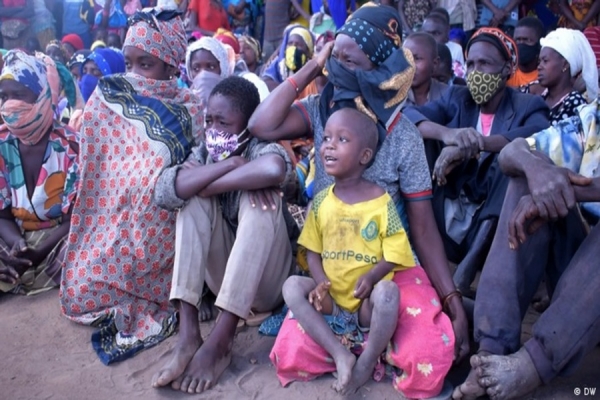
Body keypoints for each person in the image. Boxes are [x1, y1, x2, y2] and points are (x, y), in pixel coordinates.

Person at [249, 4, 469, 396]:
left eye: (349, 58)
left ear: (378, 65)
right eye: (335, 54)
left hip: (389, 266)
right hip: (332, 266)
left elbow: (421, 227)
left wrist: (450, 296)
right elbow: (260, 124)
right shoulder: (321, 109)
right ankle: (357, 350)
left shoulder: (403, 133)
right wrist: (312, 68)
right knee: (290, 351)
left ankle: (371, 351)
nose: (338, 64)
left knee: (428, 355)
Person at [59, 8, 204, 365]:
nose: (134, 75)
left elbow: (189, 176)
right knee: (80, 291)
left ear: (172, 66)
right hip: (112, 225)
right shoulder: (108, 101)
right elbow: (95, 177)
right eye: (129, 63)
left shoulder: (192, 110)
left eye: (146, 64)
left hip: (165, 232)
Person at [276, 107, 453, 396]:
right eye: (327, 138)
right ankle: (339, 354)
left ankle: (367, 360)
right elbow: (312, 252)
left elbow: (396, 252)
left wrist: (372, 277)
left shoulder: (381, 201)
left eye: (342, 140)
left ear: (365, 156)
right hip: (332, 301)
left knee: (388, 294)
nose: (329, 145)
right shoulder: (320, 202)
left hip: (365, 304)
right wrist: (320, 284)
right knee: (292, 286)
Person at [452, 90, 600, 400]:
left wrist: (566, 190)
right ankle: (492, 350)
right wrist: (539, 173)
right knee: (526, 175)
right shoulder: (592, 120)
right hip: (580, 281)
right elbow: (513, 152)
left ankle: (535, 361)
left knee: (548, 190)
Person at [151, 75, 294, 394]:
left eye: (224, 122)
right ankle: (188, 335)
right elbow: (165, 191)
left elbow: (273, 170)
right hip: (223, 281)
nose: (214, 130)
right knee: (190, 203)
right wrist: (228, 168)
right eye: (209, 121)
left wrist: (206, 183)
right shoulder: (202, 154)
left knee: (261, 203)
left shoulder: (261, 147)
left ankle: (221, 340)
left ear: (247, 125)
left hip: (269, 283)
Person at [403, 27, 549, 296]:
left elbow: (538, 134)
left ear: (507, 69)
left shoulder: (528, 105)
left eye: (485, 63)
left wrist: (477, 145)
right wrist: (449, 135)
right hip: (449, 203)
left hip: (492, 223)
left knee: (513, 161)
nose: (475, 71)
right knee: (421, 142)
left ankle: (467, 270)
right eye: (470, 63)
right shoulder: (457, 98)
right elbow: (408, 117)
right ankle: (417, 249)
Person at [0, 50, 79, 296]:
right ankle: (12, 269)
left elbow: (73, 220)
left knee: (87, 249)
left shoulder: (71, 146)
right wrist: (19, 246)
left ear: (41, 95)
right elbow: (2, 216)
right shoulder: (2, 144)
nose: (10, 104)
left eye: (19, 95)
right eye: (4, 96)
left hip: (58, 240)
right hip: (16, 238)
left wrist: (39, 252)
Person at [537, 28, 598, 126]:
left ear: (565, 65)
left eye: (545, 61)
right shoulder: (541, 96)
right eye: (539, 62)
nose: (539, 66)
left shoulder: (575, 104)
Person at [262, 24, 315, 92]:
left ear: (307, 50)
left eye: (298, 44)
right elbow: (265, 80)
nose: (293, 47)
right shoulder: (278, 64)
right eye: (290, 43)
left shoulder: (314, 65)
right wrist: (287, 90)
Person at [403, 32, 448, 108]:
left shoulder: (447, 96)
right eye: (405, 58)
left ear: (435, 64)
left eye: (417, 59)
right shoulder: (391, 97)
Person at [421, 11, 465, 78]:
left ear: (446, 34)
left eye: (436, 33)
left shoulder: (456, 49)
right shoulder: (414, 51)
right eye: (427, 34)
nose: (431, 38)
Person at [507, 17, 545, 90]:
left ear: (539, 44)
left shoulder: (545, 75)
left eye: (527, 40)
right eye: (517, 40)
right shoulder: (507, 72)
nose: (521, 44)